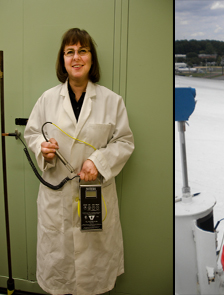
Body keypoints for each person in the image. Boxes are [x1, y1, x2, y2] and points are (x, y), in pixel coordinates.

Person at [24, 28, 134, 294]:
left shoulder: (112, 101)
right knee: (59, 272)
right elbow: (32, 133)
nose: (76, 57)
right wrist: (43, 148)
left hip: (94, 195)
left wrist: (98, 161)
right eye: (69, 52)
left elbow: (124, 142)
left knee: (94, 277)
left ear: (91, 59)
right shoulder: (47, 100)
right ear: (63, 60)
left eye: (82, 51)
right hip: (57, 200)